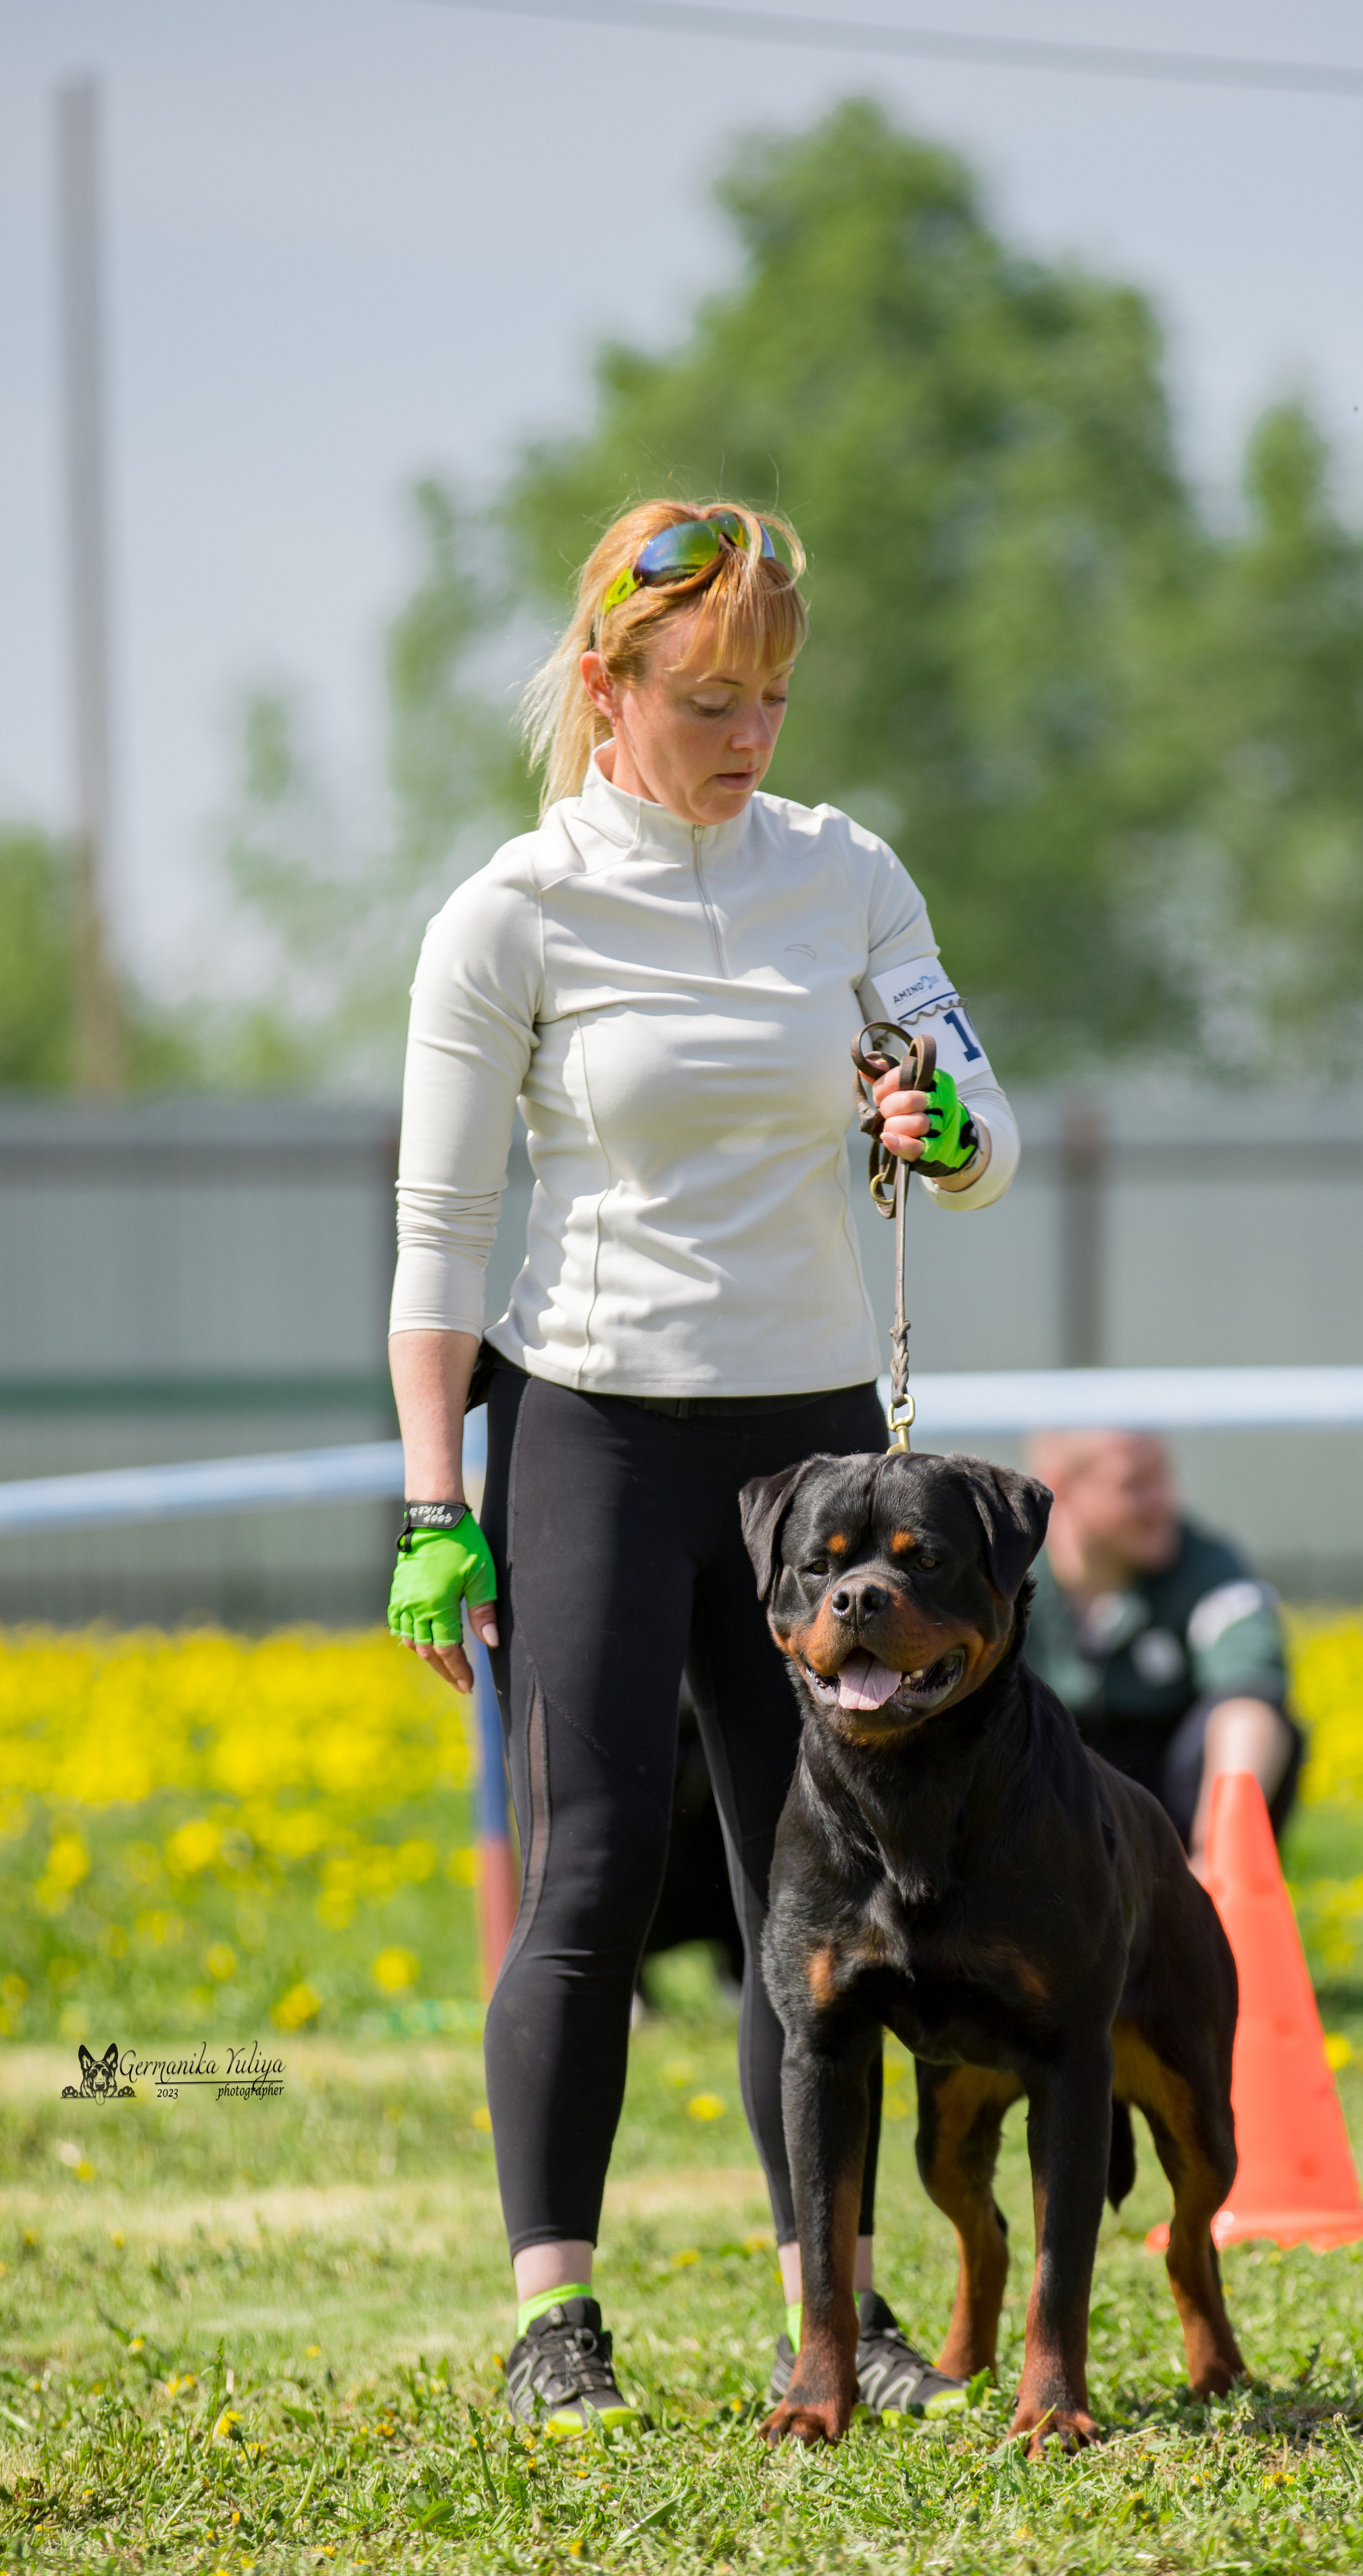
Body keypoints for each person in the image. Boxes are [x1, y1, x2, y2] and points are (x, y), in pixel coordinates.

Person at [383, 502, 1020, 2431]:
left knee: (811, 1900)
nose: (753, 734)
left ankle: (831, 2307)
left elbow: (985, 1124)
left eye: (776, 698)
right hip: (587, 1420)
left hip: (811, 1449)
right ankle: (553, 2316)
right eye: (712, 697)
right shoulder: (512, 910)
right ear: (609, 685)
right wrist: (434, 1502)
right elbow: (437, 1234)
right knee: (587, 1869)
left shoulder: (851, 874)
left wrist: (939, 1122)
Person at [1023, 1430, 1302, 1871]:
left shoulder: (1206, 1567)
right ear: (1061, 1486)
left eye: (1164, 1478)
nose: (1163, 1502)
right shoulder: (1003, 1572)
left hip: (1170, 1814)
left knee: (1263, 1726)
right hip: (1036, 1813)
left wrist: (1220, 1853)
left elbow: (1252, 1697)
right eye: (1135, 1484)